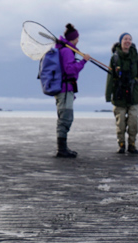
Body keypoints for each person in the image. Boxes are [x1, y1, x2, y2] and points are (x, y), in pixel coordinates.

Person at [105, 32, 138, 154]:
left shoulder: (136, 57)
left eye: (130, 39)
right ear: (120, 41)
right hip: (119, 94)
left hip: (134, 94)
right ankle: (121, 144)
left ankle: (132, 144)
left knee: (133, 121)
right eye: (125, 39)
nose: (128, 41)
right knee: (120, 123)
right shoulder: (114, 58)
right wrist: (108, 95)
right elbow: (110, 78)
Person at [55, 23, 90, 158]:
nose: (78, 40)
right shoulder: (67, 51)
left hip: (65, 89)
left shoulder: (64, 49)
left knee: (64, 117)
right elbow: (69, 70)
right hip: (64, 89)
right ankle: (61, 149)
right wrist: (83, 62)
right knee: (65, 118)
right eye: (77, 38)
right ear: (73, 39)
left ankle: (63, 148)